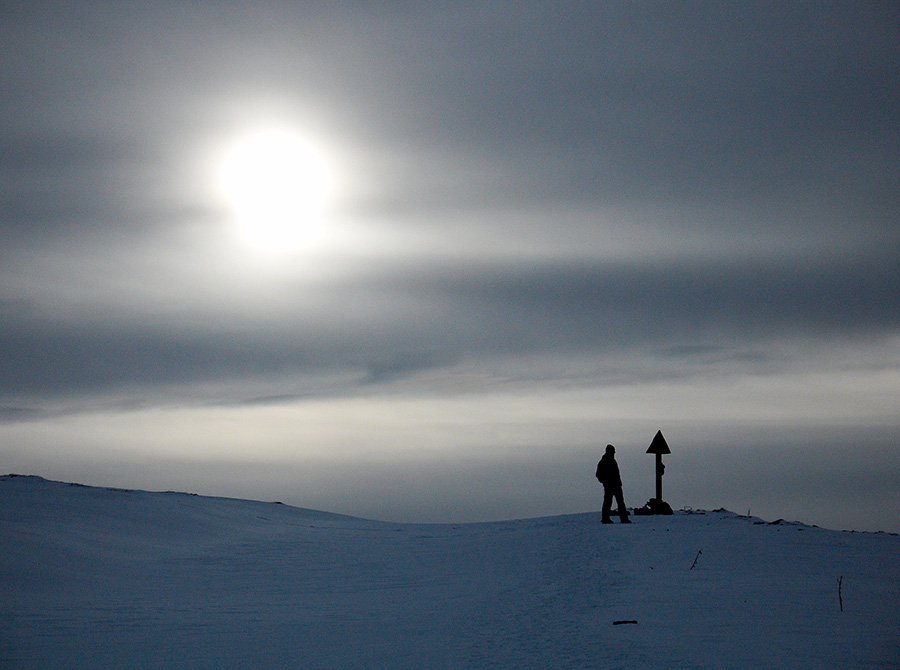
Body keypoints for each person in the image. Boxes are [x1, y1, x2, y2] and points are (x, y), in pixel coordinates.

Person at [595, 444, 631, 523]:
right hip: (610, 486)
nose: (614, 453)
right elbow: (598, 474)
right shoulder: (604, 461)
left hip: (616, 485)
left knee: (620, 502)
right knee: (608, 502)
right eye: (613, 451)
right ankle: (605, 518)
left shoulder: (612, 460)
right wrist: (605, 482)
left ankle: (623, 518)